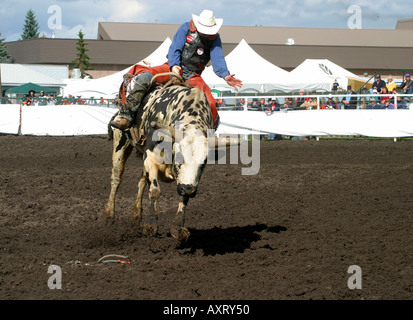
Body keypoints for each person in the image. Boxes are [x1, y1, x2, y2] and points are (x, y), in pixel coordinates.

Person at [110, 9, 242, 130]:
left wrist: (225, 75)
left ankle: (209, 134)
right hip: (172, 66)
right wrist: (174, 66)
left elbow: (218, 58)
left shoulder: (215, 38)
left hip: (192, 75)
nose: (207, 34)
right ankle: (126, 115)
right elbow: (175, 48)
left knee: (211, 103)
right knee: (144, 78)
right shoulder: (186, 28)